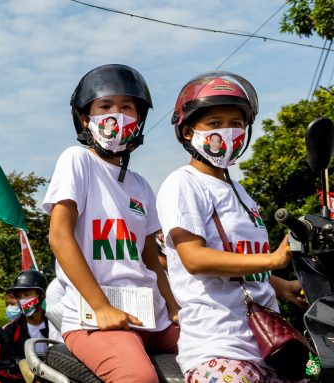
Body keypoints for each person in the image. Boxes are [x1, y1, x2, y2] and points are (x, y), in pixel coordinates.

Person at [157, 72, 305, 383]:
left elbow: (240, 260)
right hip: (219, 347)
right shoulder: (183, 183)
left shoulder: (241, 192)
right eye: (214, 123)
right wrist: (273, 259)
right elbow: (195, 259)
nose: (228, 131)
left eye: (236, 123)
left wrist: (282, 284)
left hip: (269, 344)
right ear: (187, 131)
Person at [44, 64, 180, 383]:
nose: (116, 114)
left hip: (153, 316)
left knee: (225, 352)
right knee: (138, 378)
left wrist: (174, 307)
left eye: (126, 107)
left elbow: (151, 260)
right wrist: (102, 307)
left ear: (139, 119)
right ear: (85, 118)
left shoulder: (142, 185)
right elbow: (60, 237)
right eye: (105, 106)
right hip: (93, 318)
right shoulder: (77, 160)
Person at [0, 270, 51, 383]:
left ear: (41, 295)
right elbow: (0, 371)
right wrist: (23, 374)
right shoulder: (8, 331)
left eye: (27, 295)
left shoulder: (57, 324)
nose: (23, 300)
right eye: (19, 296)